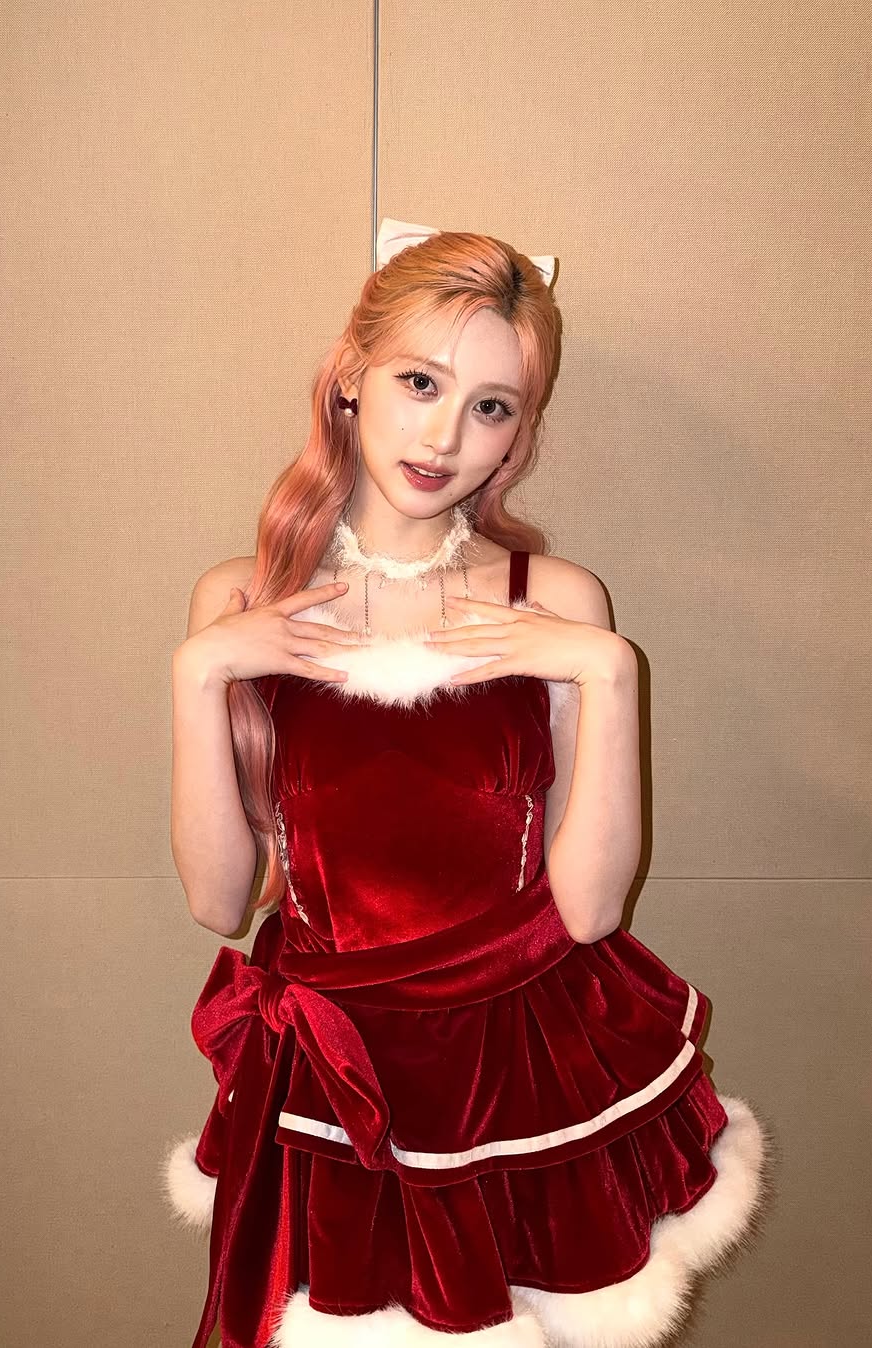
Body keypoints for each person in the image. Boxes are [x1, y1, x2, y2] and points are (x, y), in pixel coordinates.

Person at [163, 218, 770, 1348]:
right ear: (352, 375)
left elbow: (590, 911)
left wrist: (609, 672)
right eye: (420, 382)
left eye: (492, 406)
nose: (446, 435)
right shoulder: (241, 599)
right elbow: (218, 900)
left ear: (517, 433)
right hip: (331, 1071)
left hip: (521, 1062)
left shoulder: (558, 601)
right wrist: (200, 673)